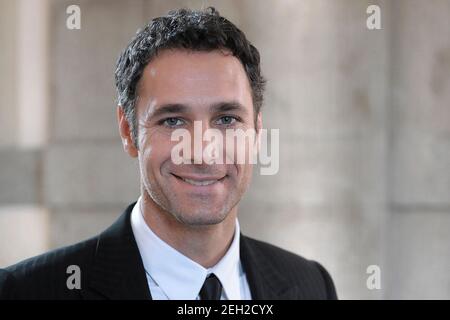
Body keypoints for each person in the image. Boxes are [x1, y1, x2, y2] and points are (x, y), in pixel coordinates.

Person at [0, 7, 337, 300]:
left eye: (226, 119)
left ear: (257, 132)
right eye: (173, 120)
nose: (202, 153)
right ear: (129, 131)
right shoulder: (24, 291)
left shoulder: (310, 286)